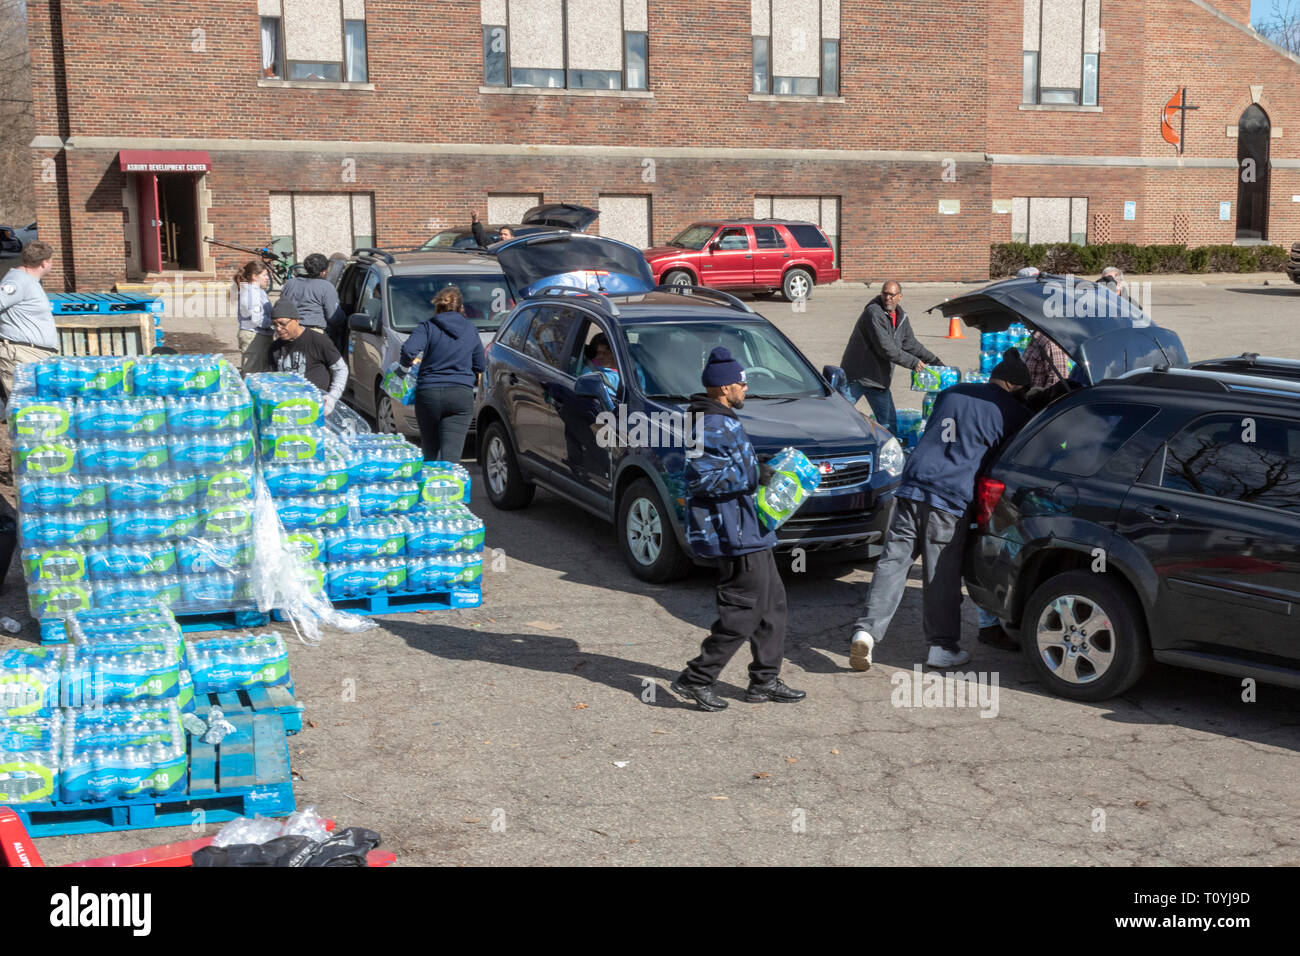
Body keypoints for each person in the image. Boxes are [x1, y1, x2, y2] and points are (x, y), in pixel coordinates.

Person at [848, 350, 1034, 671]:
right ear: (1016, 387)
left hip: (911, 485)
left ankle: (866, 632)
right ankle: (941, 647)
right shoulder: (1012, 412)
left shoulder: (951, 393)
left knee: (893, 561)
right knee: (941, 574)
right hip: (949, 498)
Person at [670, 347, 805, 711]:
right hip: (733, 533)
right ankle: (695, 679)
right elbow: (701, 480)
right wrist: (751, 474)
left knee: (772, 605)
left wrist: (759, 466)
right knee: (742, 611)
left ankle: (764, 680)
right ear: (725, 387)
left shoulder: (722, 419)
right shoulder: (709, 425)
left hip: (751, 527)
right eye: (742, 383)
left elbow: (730, 466)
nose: (746, 389)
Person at [839, 280, 943, 434]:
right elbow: (886, 349)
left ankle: (891, 454)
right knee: (837, 416)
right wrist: (913, 362)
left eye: (892, 295)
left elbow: (911, 344)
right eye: (885, 294)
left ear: (899, 296)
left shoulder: (901, 317)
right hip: (857, 377)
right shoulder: (873, 313)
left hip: (878, 381)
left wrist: (935, 361)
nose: (888, 298)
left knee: (889, 426)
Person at [399, 285, 484, 462]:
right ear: (461, 308)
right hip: (460, 395)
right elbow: (480, 365)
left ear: (438, 306)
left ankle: (430, 487)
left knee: (430, 452)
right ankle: (451, 487)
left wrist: (404, 369)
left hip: (429, 394)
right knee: (451, 458)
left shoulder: (428, 327)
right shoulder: (471, 330)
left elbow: (408, 350)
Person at [0, 240, 59, 404]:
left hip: (33, 355)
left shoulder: (28, 281)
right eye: (51, 260)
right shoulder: (17, 282)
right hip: (21, 355)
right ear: (44, 263)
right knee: (26, 412)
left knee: (39, 414)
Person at [267, 298, 347, 414]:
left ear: (296, 320)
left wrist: (331, 398)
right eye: (275, 324)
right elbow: (272, 380)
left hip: (316, 408)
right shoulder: (274, 348)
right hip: (288, 409)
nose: (278, 329)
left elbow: (341, 369)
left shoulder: (318, 341)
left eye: (282, 324)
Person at [278, 252, 346, 351]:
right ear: (323, 272)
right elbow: (334, 317)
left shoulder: (290, 283)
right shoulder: (326, 287)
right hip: (314, 334)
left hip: (290, 331)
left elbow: (281, 307)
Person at [234, 260, 273, 375]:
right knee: (252, 374)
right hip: (254, 336)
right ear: (254, 276)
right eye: (264, 275)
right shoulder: (251, 292)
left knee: (260, 373)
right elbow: (256, 319)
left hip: (261, 335)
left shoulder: (258, 291)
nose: (267, 278)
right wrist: (274, 322)